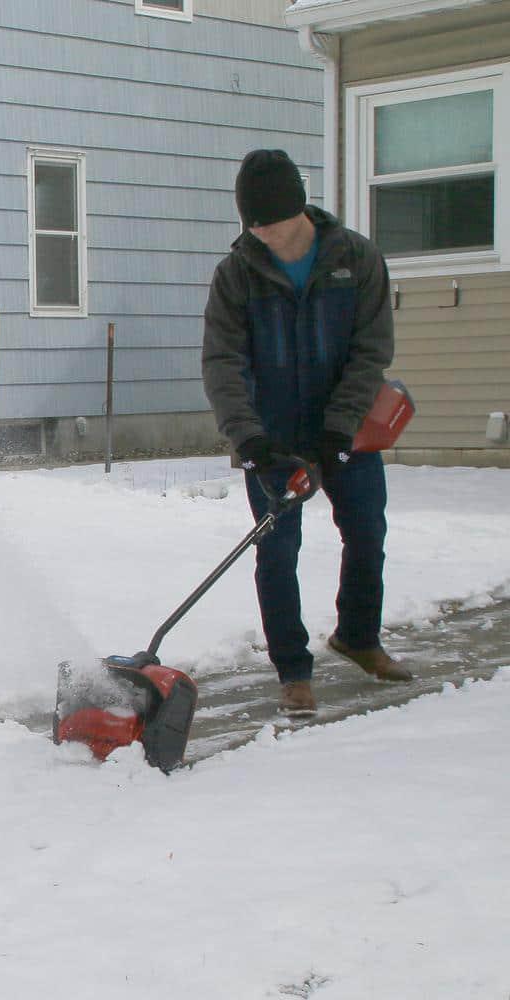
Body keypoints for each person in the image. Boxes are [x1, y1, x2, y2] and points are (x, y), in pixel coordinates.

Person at [201, 148, 412, 715]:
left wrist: (340, 431)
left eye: (270, 222)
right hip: (272, 438)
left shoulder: (356, 259)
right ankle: (293, 670)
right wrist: (249, 441)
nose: (262, 233)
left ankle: (359, 637)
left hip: (346, 431)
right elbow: (223, 363)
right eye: (254, 224)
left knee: (366, 531)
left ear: (299, 211)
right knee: (277, 553)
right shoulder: (236, 274)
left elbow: (371, 353)